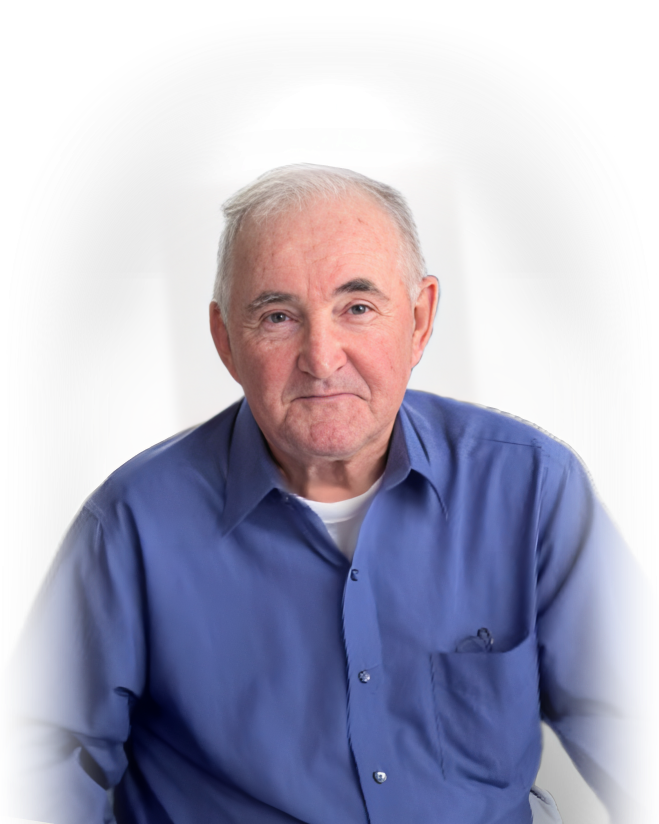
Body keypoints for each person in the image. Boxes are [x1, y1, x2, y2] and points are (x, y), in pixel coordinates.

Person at [1, 164, 656, 824]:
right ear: (226, 341)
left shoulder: (531, 486)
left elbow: (639, 726)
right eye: (278, 316)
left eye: (358, 308)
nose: (321, 357)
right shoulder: (130, 525)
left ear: (420, 318)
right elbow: (42, 770)